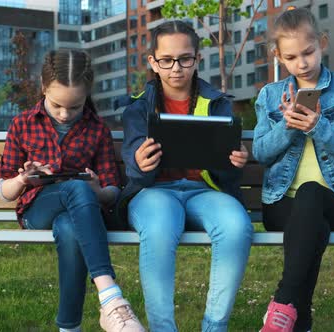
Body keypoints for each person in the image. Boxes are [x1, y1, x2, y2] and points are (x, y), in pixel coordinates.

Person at [0, 49, 145, 332]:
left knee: (68, 227)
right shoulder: (22, 124)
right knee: (74, 189)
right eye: (57, 106)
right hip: (37, 211)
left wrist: (97, 190)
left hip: (81, 215)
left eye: (75, 107)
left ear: (87, 94)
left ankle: (69, 328)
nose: (65, 114)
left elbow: (112, 190)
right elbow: (5, 191)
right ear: (43, 89)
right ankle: (111, 298)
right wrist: (24, 180)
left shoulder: (97, 129)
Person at [119, 20, 253, 332]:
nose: (176, 68)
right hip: (154, 194)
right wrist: (140, 162)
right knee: (160, 226)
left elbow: (225, 171)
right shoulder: (138, 108)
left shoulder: (218, 103)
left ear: (197, 59)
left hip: (203, 192)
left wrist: (234, 160)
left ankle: (214, 327)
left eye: (185, 59)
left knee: (236, 226)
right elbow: (133, 166)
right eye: (166, 60)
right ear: (153, 62)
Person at [252, 8, 334, 332]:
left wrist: (319, 126)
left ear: (322, 43)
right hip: (280, 203)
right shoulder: (269, 96)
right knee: (314, 229)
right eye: (291, 57)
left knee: (311, 195)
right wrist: (289, 126)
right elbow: (261, 153)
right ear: (278, 56)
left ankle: (282, 303)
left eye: (308, 52)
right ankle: (299, 318)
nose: (302, 63)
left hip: (332, 200)